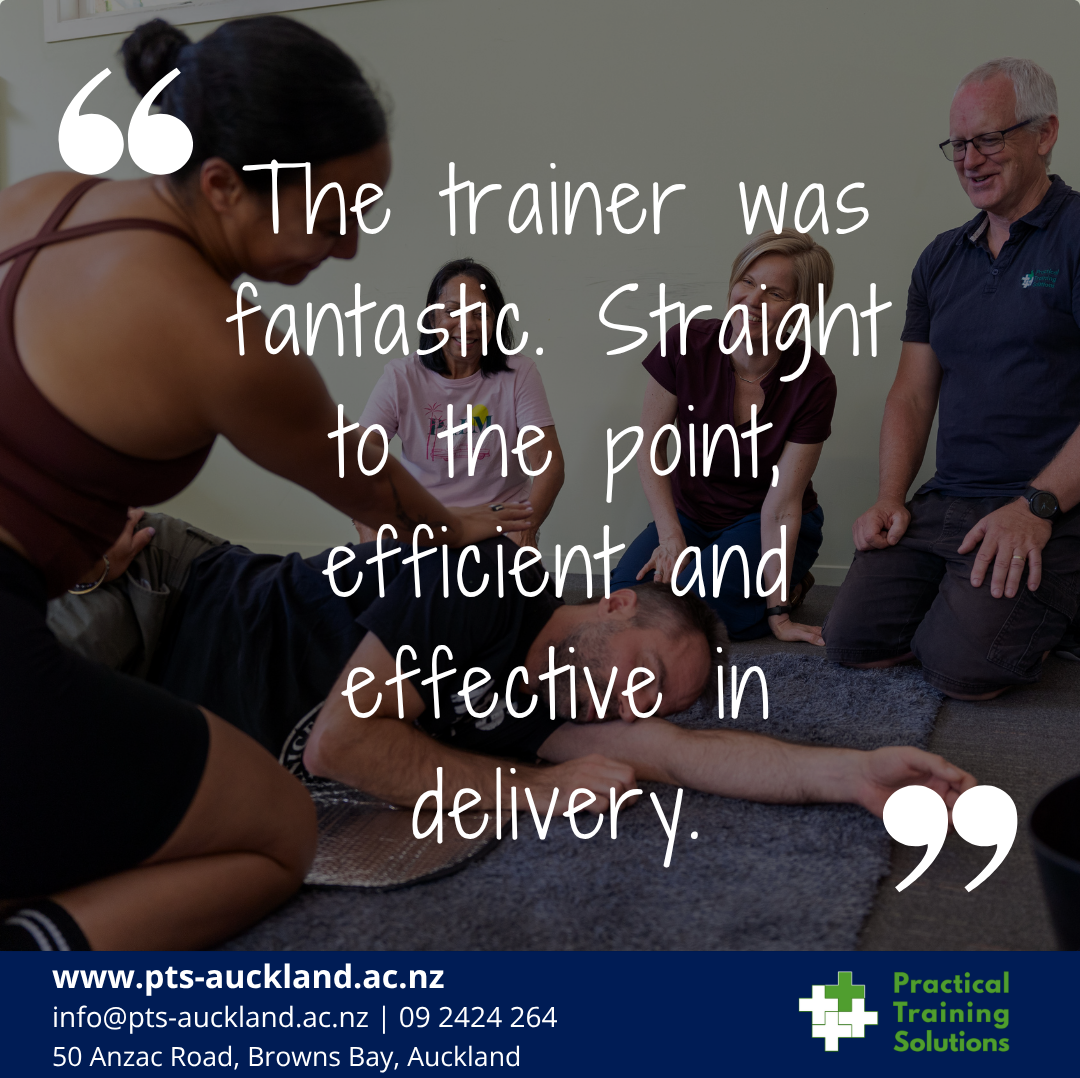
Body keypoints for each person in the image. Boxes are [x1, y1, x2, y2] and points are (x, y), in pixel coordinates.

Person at [0, 17, 528, 952]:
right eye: (333, 216)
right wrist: (482, 547)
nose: (351, 247)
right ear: (221, 185)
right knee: (278, 828)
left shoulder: (39, 198)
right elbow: (385, 503)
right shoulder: (231, 342)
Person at [51, 511, 976, 822]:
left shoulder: (556, 706)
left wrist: (853, 772)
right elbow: (343, 745)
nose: (633, 707)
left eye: (653, 703)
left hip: (150, 709)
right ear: (618, 604)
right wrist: (536, 791)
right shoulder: (488, 579)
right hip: (160, 594)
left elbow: (683, 755)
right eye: (646, 675)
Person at [824, 57, 1080, 700]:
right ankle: (975, 598)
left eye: (988, 139)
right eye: (959, 145)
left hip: (1051, 504)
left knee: (962, 671)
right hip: (949, 498)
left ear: (1045, 134)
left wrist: (1037, 506)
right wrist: (890, 497)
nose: (970, 160)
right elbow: (912, 394)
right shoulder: (940, 258)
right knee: (851, 641)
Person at [611, 229, 837, 645]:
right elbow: (650, 448)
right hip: (690, 514)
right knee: (624, 600)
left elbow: (781, 507)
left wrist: (779, 613)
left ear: (801, 309)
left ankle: (789, 586)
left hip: (762, 520)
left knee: (696, 608)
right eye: (747, 282)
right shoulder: (685, 344)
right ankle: (722, 576)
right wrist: (671, 536)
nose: (752, 301)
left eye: (774, 294)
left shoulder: (813, 380)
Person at [356, 258, 565, 551]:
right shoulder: (400, 377)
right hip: (424, 521)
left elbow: (549, 465)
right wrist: (370, 534)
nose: (466, 325)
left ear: (495, 321)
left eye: (480, 314)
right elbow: (359, 460)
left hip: (499, 521)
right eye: (452, 311)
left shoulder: (520, 373)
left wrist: (525, 531)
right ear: (432, 318)